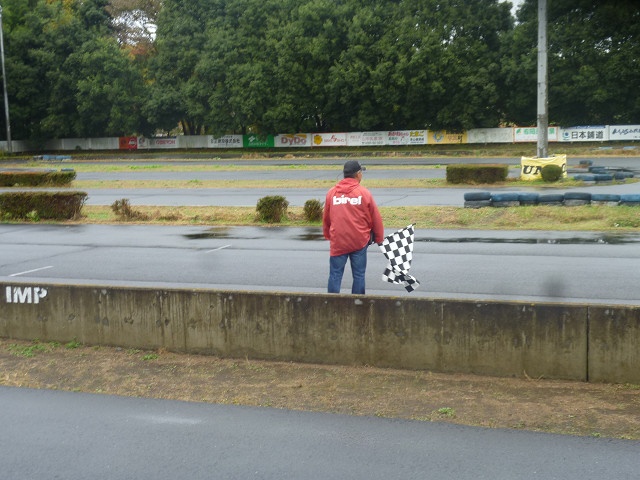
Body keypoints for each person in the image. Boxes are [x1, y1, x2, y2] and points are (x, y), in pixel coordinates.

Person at [323, 160, 384, 294]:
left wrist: (328, 234)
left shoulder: (332, 193)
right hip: (359, 240)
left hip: (338, 241)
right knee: (359, 275)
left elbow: (326, 217)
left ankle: (331, 303)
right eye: (361, 172)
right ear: (358, 174)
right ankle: (357, 302)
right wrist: (379, 238)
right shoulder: (364, 193)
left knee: (335, 274)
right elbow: (375, 217)